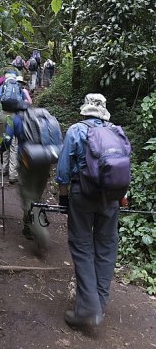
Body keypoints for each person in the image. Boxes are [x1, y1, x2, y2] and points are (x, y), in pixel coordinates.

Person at [56, 93, 120, 327]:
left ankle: (89, 309)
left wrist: (64, 200)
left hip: (82, 196)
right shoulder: (116, 131)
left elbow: (63, 171)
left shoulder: (75, 130)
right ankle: (100, 304)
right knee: (106, 248)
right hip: (111, 198)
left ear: (85, 110)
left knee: (82, 247)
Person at [0, 107, 51, 239]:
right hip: (47, 159)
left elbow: (7, 139)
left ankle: (39, 231)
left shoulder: (15, 119)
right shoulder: (44, 118)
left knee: (27, 195)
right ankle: (28, 225)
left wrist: (1, 149)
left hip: (27, 160)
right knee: (37, 194)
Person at [0, 74, 28, 184]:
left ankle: (3, 169)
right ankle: (13, 174)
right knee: (14, 145)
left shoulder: (2, 88)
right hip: (14, 118)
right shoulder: (19, 89)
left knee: (4, 140)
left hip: (3, 117)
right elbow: (24, 104)